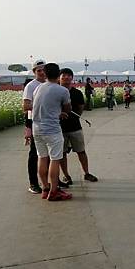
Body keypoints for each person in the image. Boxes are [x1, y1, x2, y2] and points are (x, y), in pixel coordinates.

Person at [32, 63, 72, 201]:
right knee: (55, 159)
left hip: (36, 128)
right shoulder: (62, 90)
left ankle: (45, 188)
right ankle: (54, 191)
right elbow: (67, 108)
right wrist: (62, 113)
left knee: (42, 158)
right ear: (58, 74)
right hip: (52, 130)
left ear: (45, 73)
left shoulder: (38, 88)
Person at [59, 68, 98, 184]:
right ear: (59, 78)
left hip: (75, 127)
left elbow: (80, 109)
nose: (66, 77)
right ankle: (66, 175)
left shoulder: (77, 93)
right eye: (63, 75)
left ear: (72, 78)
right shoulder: (56, 92)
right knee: (62, 153)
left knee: (81, 151)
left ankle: (86, 173)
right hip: (60, 128)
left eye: (68, 75)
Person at [22, 59, 46, 194]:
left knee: (50, 155)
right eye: (39, 70)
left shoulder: (50, 84)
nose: (42, 72)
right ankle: (33, 183)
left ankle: (52, 180)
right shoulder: (31, 86)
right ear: (34, 72)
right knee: (34, 154)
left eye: (43, 69)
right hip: (35, 122)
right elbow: (25, 106)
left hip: (49, 122)